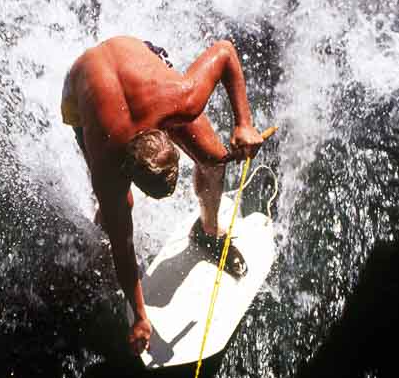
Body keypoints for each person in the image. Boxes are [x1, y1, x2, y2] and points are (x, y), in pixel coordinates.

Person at [61, 36, 265, 355]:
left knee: (213, 158)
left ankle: (209, 229)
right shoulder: (107, 166)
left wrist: (244, 124)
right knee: (114, 215)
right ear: (127, 173)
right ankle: (109, 222)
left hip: (137, 62)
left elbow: (225, 51)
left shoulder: (181, 99)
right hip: (80, 87)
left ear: (168, 132)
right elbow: (124, 247)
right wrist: (140, 316)